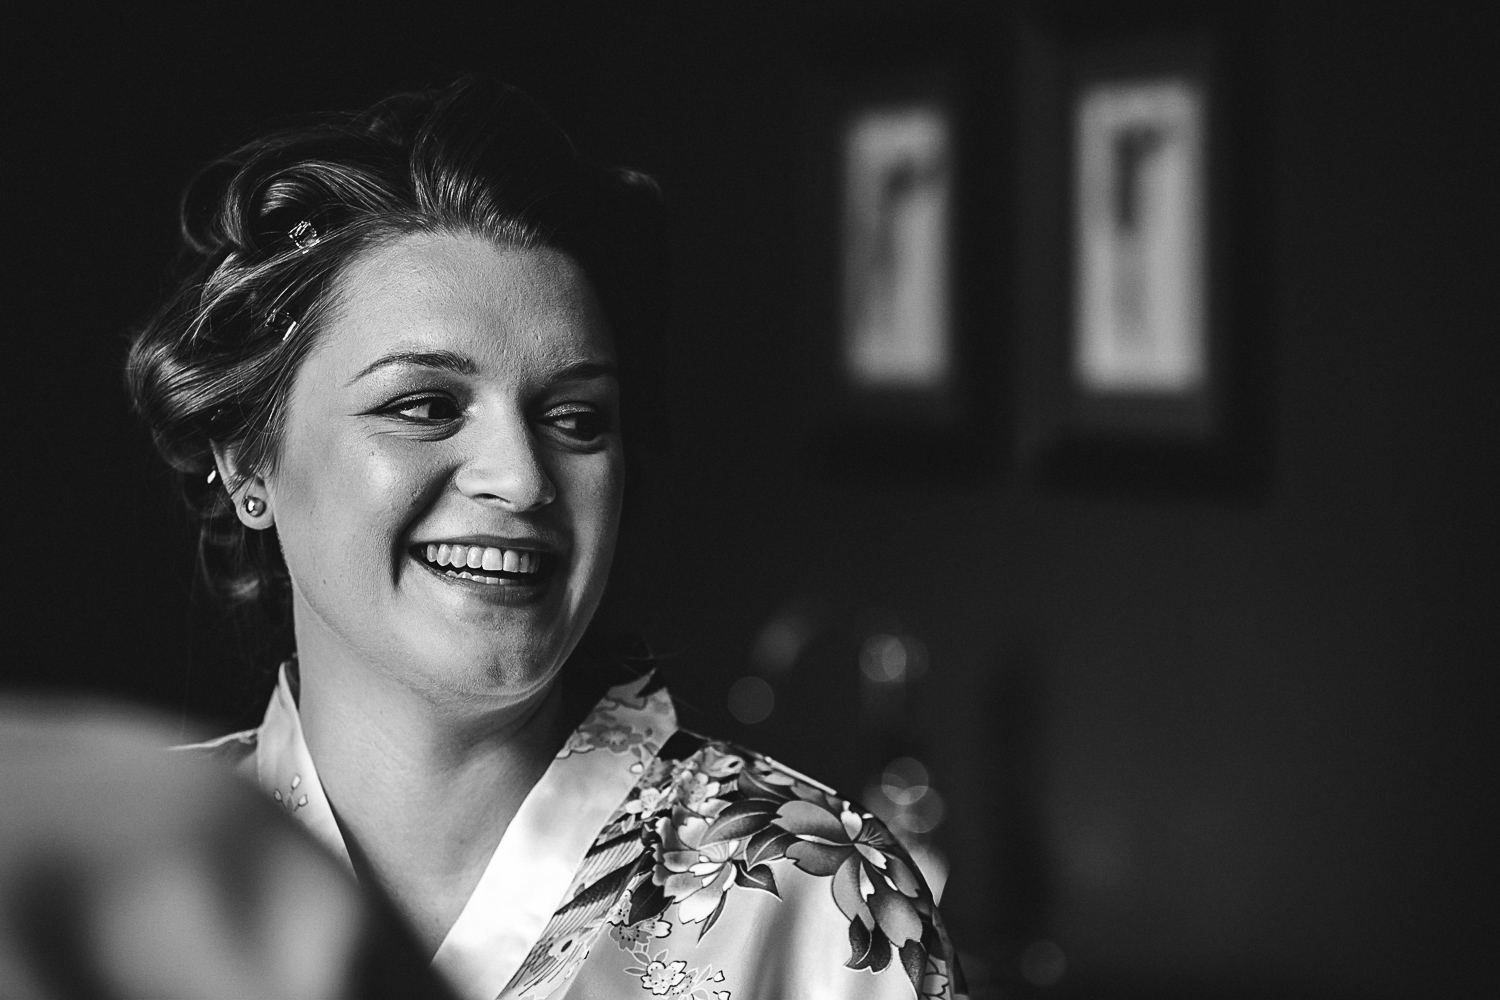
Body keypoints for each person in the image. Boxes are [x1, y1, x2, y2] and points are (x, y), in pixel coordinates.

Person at [124, 77, 965, 1000]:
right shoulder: (98, 871)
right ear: (249, 464)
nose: (521, 478)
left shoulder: (818, 904)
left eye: (573, 418)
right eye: (424, 407)